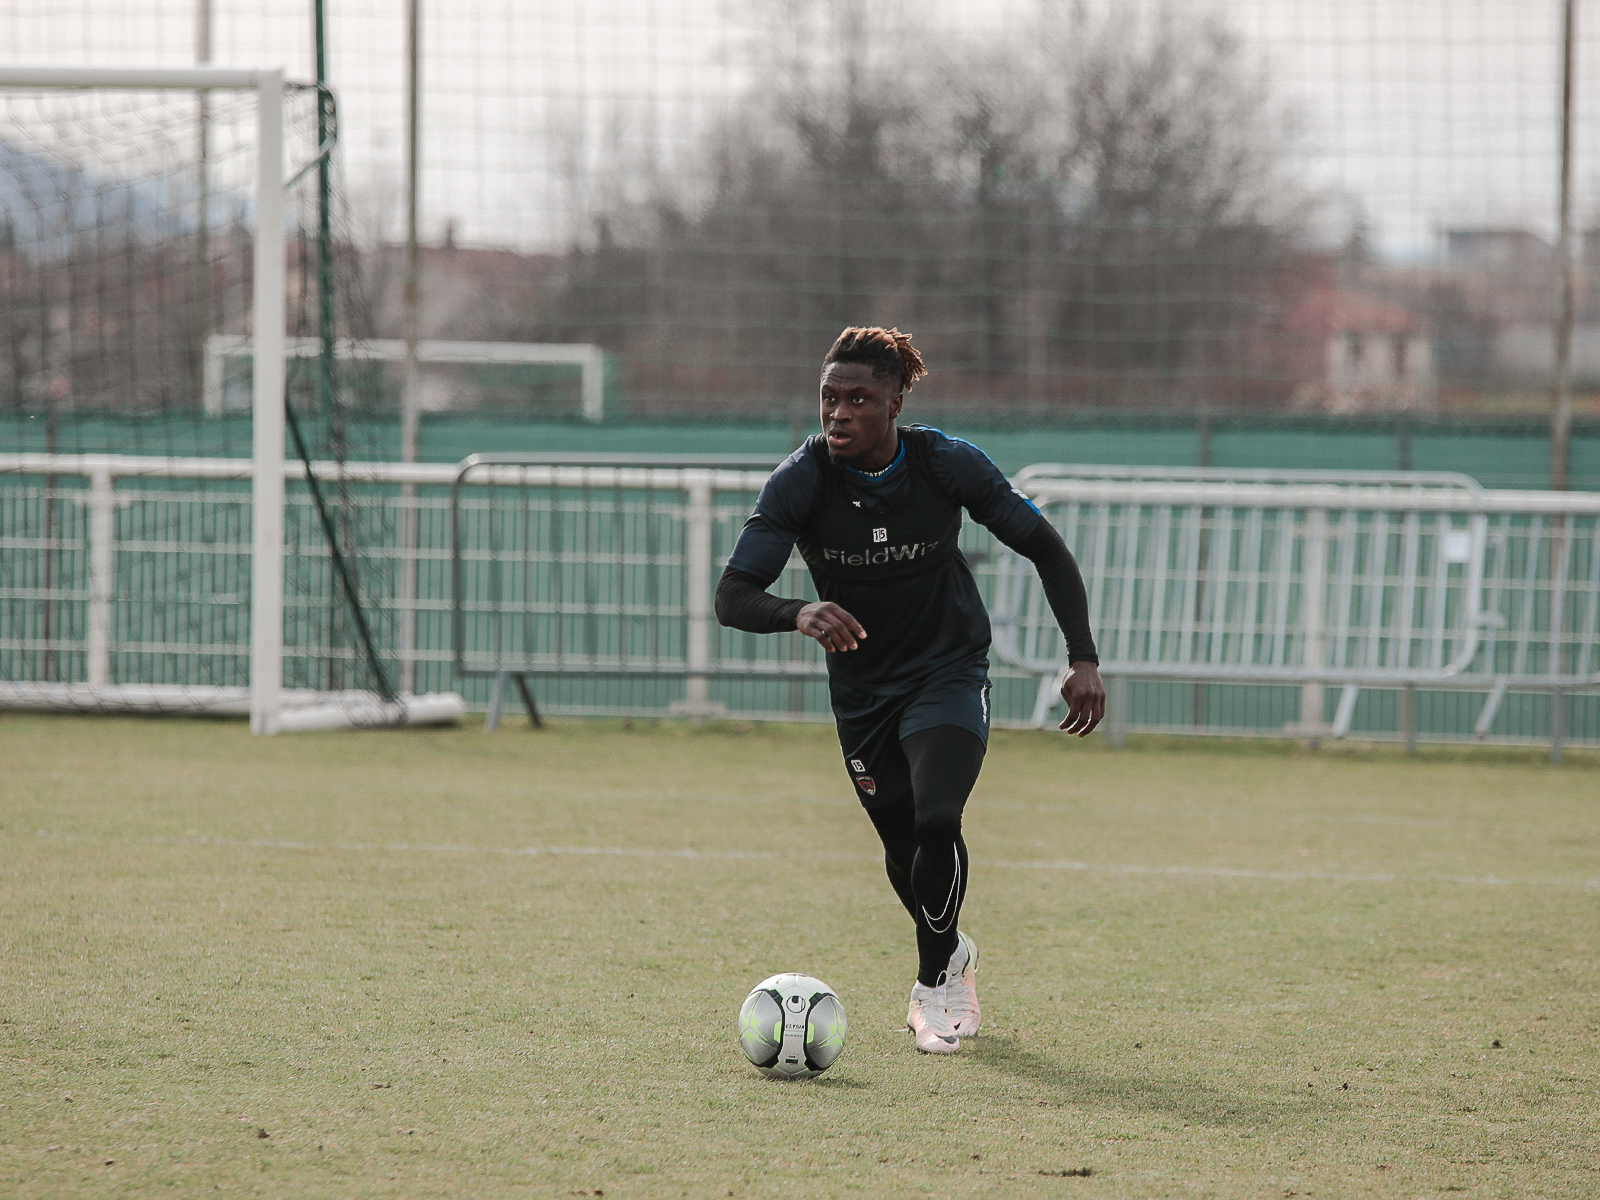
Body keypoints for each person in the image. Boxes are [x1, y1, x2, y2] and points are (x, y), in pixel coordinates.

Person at [715, 327, 1104, 1054]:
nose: (838, 414)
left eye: (858, 399)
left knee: (937, 818)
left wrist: (1081, 657)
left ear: (895, 403)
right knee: (903, 844)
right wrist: (797, 611)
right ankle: (953, 951)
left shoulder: (946, 464)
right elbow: (733, 595)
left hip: (947, 669)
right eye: (829, 398)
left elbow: (1045, 547)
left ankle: (931, 989)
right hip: (863, 692)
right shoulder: (800, 480)